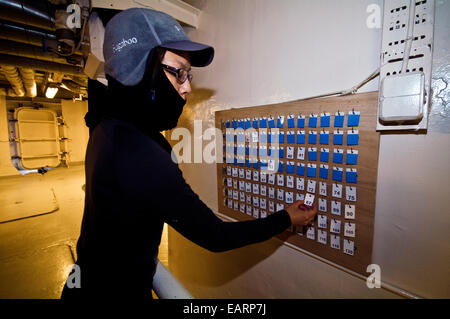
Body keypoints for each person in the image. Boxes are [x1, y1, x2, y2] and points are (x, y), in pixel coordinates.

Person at [61, 8, 317, 299]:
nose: (188, 87)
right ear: (139, 69)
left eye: (189, 74)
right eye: (178, 72)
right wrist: (286, 218)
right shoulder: (141, 152)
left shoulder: (106, 124)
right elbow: (216, 236)